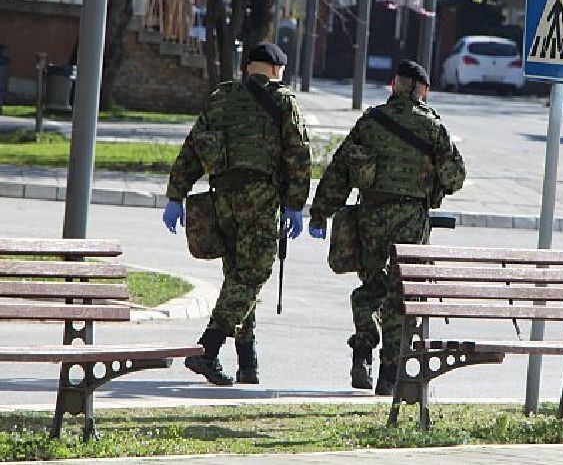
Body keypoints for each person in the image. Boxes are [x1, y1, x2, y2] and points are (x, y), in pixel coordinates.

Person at [307, 59, 466, 395]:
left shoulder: (371, 121)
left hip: (372, 216)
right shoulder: (432, 127)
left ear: (395, 84)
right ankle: (389, 373)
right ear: (424, 90)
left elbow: (339, 170)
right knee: (401, 294)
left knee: (372, 286)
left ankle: (363, 349)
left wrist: (321, 211)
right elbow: (454, 178)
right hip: (411, 220)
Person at [162, 43, 311, 386]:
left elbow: (192, 148)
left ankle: (248, 360)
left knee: (237, 278)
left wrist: (176, 194)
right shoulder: (283, 100)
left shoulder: (222, 97)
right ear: (276, 70)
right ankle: (207, 349)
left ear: (248, 68)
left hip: (222, 200)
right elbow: (299, 155)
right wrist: (295, 204)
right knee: (251, 276)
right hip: (259, 198)